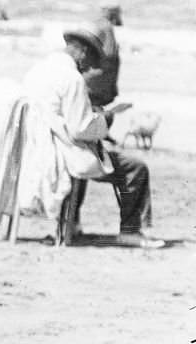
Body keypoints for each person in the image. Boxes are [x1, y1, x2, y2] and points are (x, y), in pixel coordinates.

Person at [22, 22, 164, 248]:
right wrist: (106, 117)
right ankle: (130, 231)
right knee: (135, 168)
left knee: (90, 155)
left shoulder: (36, 71)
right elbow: (81, 128)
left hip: (36, 147)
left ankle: (73, 223)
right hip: (63, 153)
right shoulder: (72, 79)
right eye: (88, 58)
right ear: (82, 51)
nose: (88, 65)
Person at [85, 5, 122, 109]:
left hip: (94, 80)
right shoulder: (106, 26)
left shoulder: (98, 24)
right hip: (98, 83)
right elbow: (110, 54)